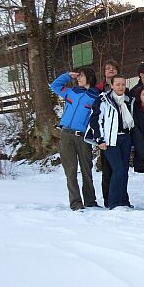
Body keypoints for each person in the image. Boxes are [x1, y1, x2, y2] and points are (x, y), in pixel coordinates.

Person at [50, 68, 100, 211]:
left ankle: (90, 200)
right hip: (66, 135)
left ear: (89, 77)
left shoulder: (96, 97)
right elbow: (54, 86)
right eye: (77, 77)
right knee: (70, 171)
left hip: (83, 137)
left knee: (86, 170)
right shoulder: (71, 92)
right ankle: (76, 203)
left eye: (81, 76)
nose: (78, 78)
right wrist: (67, 76)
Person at [88, 74, 134, 210]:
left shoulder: (128, 100)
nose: (121, 87)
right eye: (118, 84)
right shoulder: (103, 100)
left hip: (125, 138)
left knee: (124, 170)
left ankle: (124, 200)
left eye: (123, 84)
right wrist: (100, 139)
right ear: (112, 86)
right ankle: (113, 202)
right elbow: (95, 120)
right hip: (110, 139)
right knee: (118, 169)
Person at [95, 60, 121, 208]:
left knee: (120, 170)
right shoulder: (99, 90)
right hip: (105, 136)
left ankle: (120, 198)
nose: (110, 70)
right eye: (107, 69)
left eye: (113, 68)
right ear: (104, 73)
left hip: (120, 136)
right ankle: (107, 199)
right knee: (107, 170)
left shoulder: (123, 89)